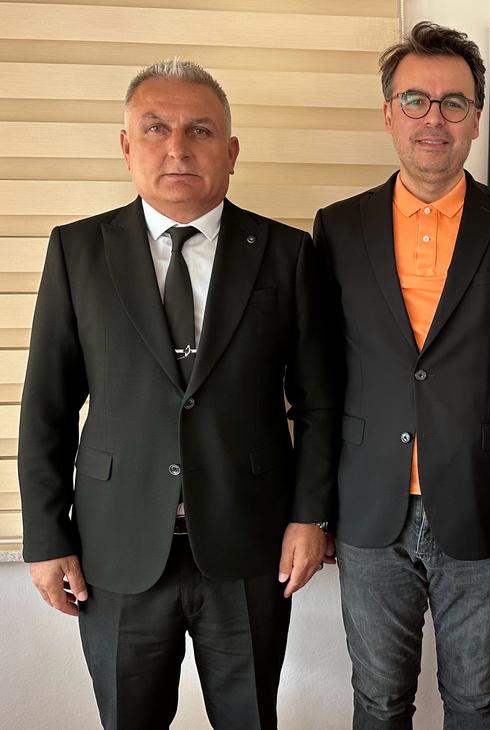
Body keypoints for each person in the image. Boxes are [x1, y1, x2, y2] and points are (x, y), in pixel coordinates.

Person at [18, 59, 334, 729]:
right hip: (116, 548)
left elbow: (317, 402)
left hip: (247, 545)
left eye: (201, 130)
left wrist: (311, 516)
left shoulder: (285, 253)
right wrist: (45, 538)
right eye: (155, 128)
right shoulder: (78, 250)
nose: (178, 148)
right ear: (126, 146)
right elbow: (48, 406)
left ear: (232, 151)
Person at [313, 21, 490, 729]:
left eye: (454, 102)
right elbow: (320, 383)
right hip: (369, 507)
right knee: (378, 701)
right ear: (389, 113)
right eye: (416, 100)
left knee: (475, 699)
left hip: (483, 502)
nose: (435, 118)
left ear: (477, 118)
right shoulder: (338, 228)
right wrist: (316, 509)